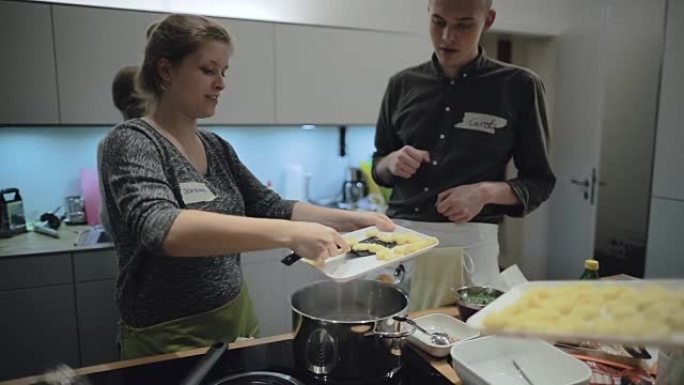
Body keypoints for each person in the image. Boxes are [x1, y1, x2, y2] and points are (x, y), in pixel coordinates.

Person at [99, 13, 394, 359]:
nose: (221, 83)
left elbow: (272, 206)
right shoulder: (132, 141)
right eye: (208, 70)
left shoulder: (216, 147)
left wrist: (351, 219)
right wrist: (289, 235)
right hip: (166, 336)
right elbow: (163, 228)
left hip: (235, 319)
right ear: (166, 71)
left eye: (224, 72)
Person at [372, 0, 556, 310]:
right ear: (428, 13)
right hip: (400, 238)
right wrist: (391, 162)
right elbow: (379, 165)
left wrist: (484, 192)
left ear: (488, 20)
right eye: (438, 22)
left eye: (463, 24)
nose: (447, 36)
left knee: (461, 344)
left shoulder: (520, 86)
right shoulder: (401, 85)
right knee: (391, 340)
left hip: (470, 241)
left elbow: (540, 182)